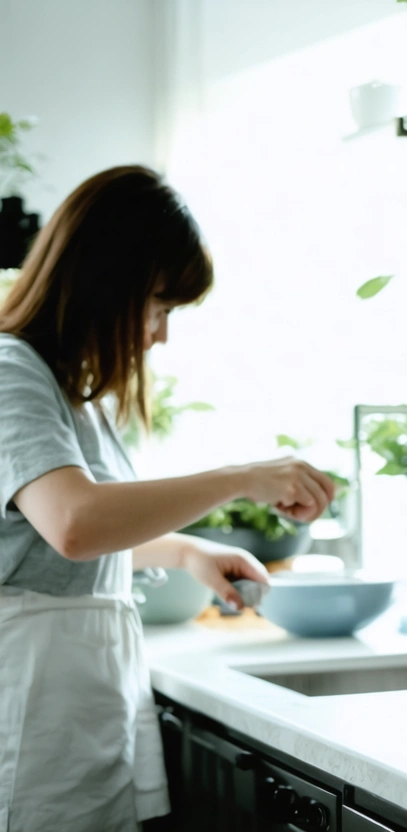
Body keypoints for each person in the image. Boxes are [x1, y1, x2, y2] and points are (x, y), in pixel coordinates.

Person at [0, 166, 336, 832]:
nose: (159, 334)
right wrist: (241, 477)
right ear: (104, 285)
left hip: (74, 715)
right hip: (27, 722)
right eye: (157, 305)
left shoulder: (75, 399)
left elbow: (57, 533)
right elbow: (72, 523)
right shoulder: (11, 371)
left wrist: (185, 552)